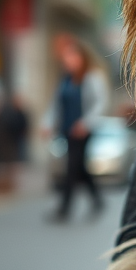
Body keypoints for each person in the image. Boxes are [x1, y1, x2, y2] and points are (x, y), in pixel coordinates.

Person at [43, 35, 108, 221]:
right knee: (79, 167)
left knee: (72, 167)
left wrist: (85, 123)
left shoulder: (93, 77)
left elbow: (100, 103)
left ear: (82, 58)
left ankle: (64, 209)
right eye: (66, 59)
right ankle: (97, 199)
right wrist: (47, 124)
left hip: (83, 131)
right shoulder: (65, 80)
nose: (69, 62)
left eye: (72, 58)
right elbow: (56, 105)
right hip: (67, 129)